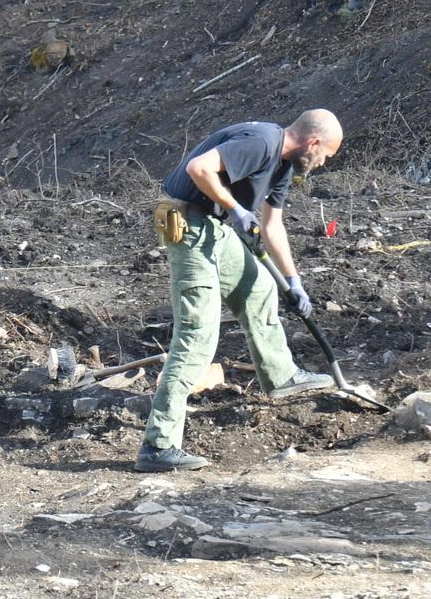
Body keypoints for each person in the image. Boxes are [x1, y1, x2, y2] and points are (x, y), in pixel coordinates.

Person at [135, 110, 343, 473]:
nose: (323, 163)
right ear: (313, 143)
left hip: (215, 228)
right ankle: (158, 446)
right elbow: (199, 169)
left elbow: (272, 224)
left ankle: (281, 376)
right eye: (326, 155)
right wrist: (235, 209)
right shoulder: (261, 142)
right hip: (188, 226)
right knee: (197, 337)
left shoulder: (283, 166)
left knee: (260, 285)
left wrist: (293, 281)